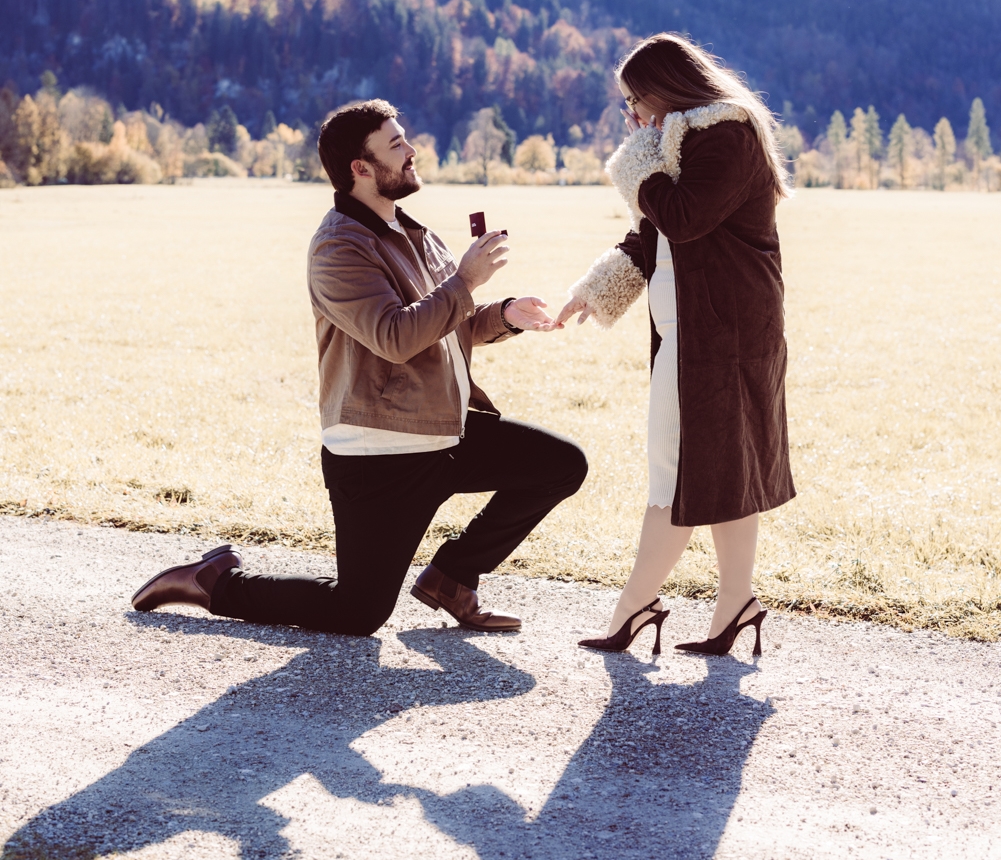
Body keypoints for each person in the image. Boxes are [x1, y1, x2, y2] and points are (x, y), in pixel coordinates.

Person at [132, 99, 587, 636]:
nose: (412, 150)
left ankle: (454, 575)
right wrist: (464, 284)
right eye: (396, 145)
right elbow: (395, 337)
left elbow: (445, 323)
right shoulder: (338, 248)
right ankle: (214, 583)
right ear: (360, 169)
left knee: (561, 465)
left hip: (443, 432)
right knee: (358, 612)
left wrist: (504, 315)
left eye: (404, 138)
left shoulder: (414, 232)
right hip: (382, 453)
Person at [556, 35, 795, 656]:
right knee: (719, 469)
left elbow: (684, 217)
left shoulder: (726, 133)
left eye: (634, 101)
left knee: (679, 470)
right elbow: (654, 235)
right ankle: (734, 606)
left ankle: (635, 608)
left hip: (722, 337)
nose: (631, 116)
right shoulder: (685, 140)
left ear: (668, 89)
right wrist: (598, 287)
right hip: (699, 333)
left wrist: (636, 165)